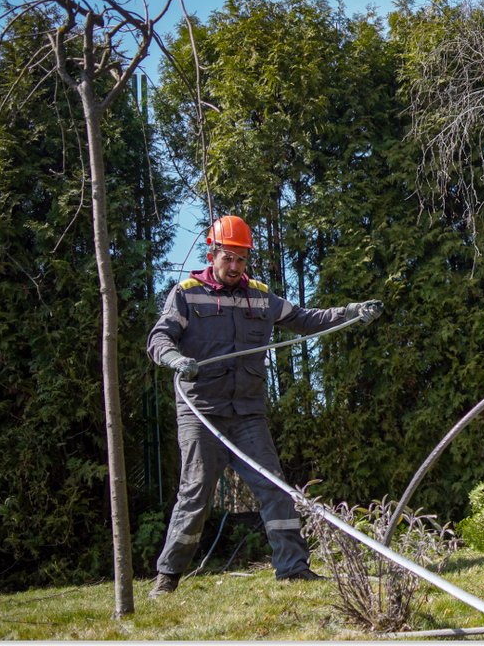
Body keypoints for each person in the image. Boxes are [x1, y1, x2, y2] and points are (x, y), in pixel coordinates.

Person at [146, 215, 384, 598]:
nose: (235, 266)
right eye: (228, 258)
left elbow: (307, 320)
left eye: (241, 259)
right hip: (202, 413)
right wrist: (174, 359)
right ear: (213, 254)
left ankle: (293, 570)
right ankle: (167, 579)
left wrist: (351, 312)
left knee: (275, 489)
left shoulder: (260, 296)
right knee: (195, 495)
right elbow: (159, 338)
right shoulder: (186, 293)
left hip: (247, 416)